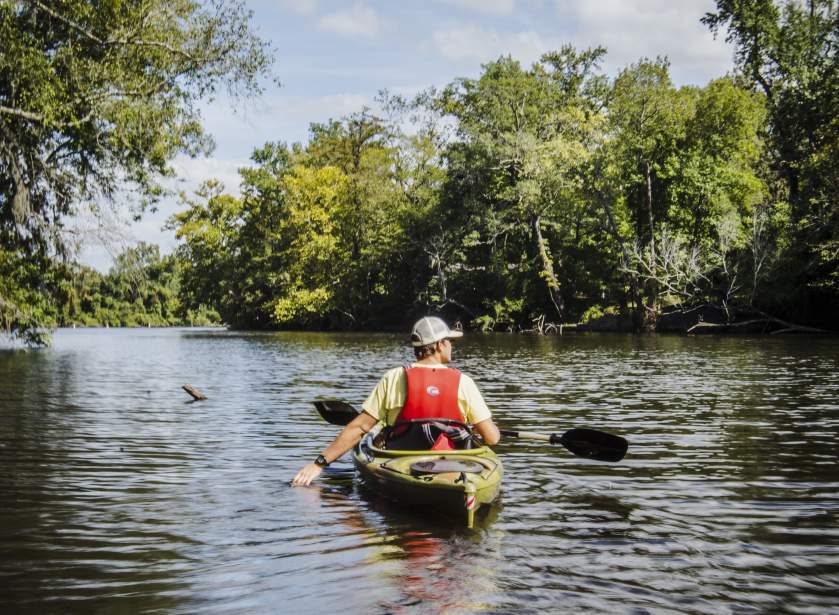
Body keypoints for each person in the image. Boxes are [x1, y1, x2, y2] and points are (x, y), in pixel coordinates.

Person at [292, 316, 501, 486]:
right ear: (438, 345)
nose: (452, 347)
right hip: (452, 466)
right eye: (450, 341)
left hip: (401, 462)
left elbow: (360, 428)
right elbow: (492, 438)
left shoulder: (393, 378)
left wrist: (319, 464)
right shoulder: (464, 382)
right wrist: (470, 428)